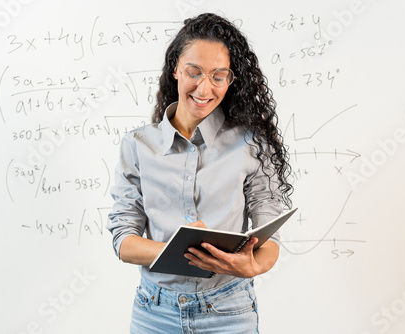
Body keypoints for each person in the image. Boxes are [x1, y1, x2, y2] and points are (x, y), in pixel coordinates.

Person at [107, 12, 293, 333]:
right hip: (155, 312)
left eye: (218, 76)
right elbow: (124, 239)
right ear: (176, 68)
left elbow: (269, 236)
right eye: (194, 71)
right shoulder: (137, 145)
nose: (204, 87)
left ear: (230, 80)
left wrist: (251, 266)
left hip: (229, 311)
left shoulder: (250, 144)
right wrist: (183, 250)